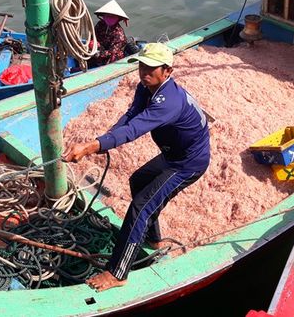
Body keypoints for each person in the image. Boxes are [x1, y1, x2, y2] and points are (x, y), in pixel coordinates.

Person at [62, 42, 211, 292]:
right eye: (142, 65)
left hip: (188, 163)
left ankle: (118, 273)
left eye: (151, 68)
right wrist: (108, 137)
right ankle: (153, 239)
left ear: (167, 71)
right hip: (172, 153)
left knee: (140, 207)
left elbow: (134, 130)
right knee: (138, 182)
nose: (144, 72)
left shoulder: (168, 101)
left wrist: (91, 146)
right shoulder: (147, 86)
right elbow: (131, 115)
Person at [88, 0, 129, 67]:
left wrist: (99, 54)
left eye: (112, 16)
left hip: (112, 57)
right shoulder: (100, 24)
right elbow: (94, 37)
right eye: (107, 15)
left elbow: (112, 52)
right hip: (99, 50)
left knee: (112, 58)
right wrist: (92, 44)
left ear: (118, 18)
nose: (109, 18)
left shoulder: (119, 34)